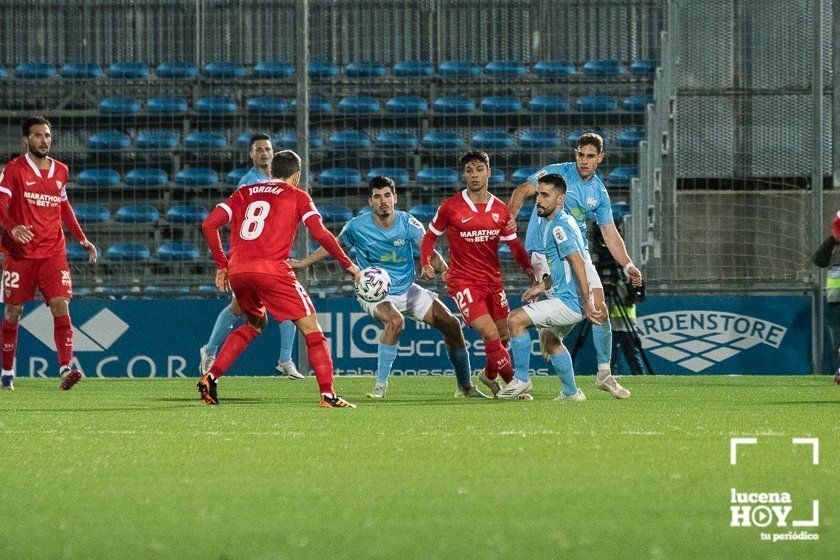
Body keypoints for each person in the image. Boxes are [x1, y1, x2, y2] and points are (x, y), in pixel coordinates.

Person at [290, 175, 487, 399]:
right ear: (370, 201)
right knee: (395, 321)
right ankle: (380, 388)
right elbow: (333, 245)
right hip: (374, 293)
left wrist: (444, 270)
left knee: (452, 325)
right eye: (377, 197)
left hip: (407, 289)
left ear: (395, 198)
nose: (383, 201)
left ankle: (465, 386)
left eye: (387, 196)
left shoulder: (408, 223)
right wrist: (303, 262)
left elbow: (427, 250)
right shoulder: (357, 226)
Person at [199, 150, 360, 407]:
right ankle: (328, 395)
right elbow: (321, 234)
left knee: (255, 323)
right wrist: (349, 265)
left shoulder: (243, 193)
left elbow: (208, 224)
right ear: (296, 176)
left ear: (271, 171)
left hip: (239, 271)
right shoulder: (298, 196)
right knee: (312, 328)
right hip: (273, 270)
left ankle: (211, 377)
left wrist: (222, 265)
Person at [508, 133, 636, 399]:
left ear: (600, 158)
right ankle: (554, 375)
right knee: (564, 317)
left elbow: (610, 233)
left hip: (576, 250)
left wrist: (628, 265)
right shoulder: (557, 174)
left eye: (590, 156)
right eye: (580, 154)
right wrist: (510, 221)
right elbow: (522, 190)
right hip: (547, 253)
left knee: (599, 308)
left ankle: (603, 374)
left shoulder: (599, 192)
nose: (584, 161)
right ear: (575, 153)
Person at [420, 151, 535, 397]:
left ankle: (488, 375)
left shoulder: (501, 210)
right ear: (464, 175)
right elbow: (430, 236)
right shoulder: (450, 207)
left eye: (479, 169)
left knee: (503, 336)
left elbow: (514, 245)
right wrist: (426, 263)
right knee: (490, 333)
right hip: (463, 282)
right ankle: (514, 384)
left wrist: (528, 270)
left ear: (488, 172)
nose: (474, 175)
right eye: (469, 171)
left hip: (493, 281)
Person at [0, 116, 97, 391]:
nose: (44, 140)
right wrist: (11, 228)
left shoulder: (61, 170)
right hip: (21, 254)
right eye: (38, 135)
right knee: (13, 311)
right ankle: (7, 371)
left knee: (61, 304)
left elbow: (64, 207)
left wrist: (82, 239)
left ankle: (66, 367)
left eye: (47, 135)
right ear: (26, 140)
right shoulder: (14, 170)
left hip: (54, 252)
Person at [199, 133, 303, 380]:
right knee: (238, 308)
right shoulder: (247, 183)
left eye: (268, 149)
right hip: (249, 256)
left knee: (288, 305)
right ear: (251, 155)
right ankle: (210, 349)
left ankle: (285, 359)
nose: (265, 153)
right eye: (259, 150)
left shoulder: (277, 179)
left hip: (271, 255)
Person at [501, 174, 600, 400]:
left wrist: (586, 301)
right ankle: (571, 392)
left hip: (570, 302)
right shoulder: (555, 223)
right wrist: (541, 286)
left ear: (560, 199)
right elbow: (562, 265)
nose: (539, 200)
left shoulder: (559, 227)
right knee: (551, 341)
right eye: (538, 195)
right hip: (568, 299)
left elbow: (577, 262)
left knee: (514, 319)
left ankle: (522, 379)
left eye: (546, 195)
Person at [812, 210, 840, 384]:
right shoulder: (832, 245)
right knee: (838, 341)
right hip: (836, 299)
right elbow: (819, 260)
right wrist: (831, 241)